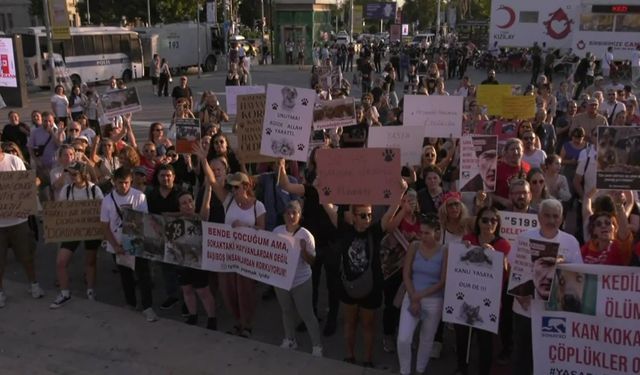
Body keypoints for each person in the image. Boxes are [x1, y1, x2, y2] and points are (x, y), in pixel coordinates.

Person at [322, 177, 405, 366]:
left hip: (371, 289)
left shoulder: (375, 231)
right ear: (353, 216)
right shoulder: (344, 229)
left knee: (368, 326)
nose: (367, 219)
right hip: (348, 287)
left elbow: (391, 212)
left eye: (369, 215)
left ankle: (367, 360)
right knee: (349, 323)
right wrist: (320, 185)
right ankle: (350, 356)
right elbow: (327, 206)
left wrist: (401, 191)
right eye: (362, 215)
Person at [509, 199, 582, 374]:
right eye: (547, 215)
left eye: (555, 216)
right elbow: (514, 266)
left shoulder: (571, 242)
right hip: (525, 309)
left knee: (551, 356)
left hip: (554, 313)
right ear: (539, 217)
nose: (551, 220)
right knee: (522, 356)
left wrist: (562, 267)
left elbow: (578, 274)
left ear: (562, 218)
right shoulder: (525, 237)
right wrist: (519, 293)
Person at [454, 207, 511, 375]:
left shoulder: (503, 244)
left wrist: (496, 257)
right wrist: (463, 249)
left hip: (488, 298)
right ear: (478, 222)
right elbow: (458, 263)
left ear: (498, 223)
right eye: (485, 220)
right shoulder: (468, 239)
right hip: (466, 294)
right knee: (462, 334)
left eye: (493, 220)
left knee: (485, 339)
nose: (489, 223)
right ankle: (461, 368)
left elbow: (506, 275)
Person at [100, 167, 157, 322]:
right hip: (117, 244)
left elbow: (143, 220)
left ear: (131, 181)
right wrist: (115, 245)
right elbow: (104, 226)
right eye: (120, 183)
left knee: (143, 275)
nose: (123, 186)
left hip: (136, 242)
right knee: (125, 275)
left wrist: (135, 242)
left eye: (126, 183)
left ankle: (147, 307)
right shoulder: (107, 200)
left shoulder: (139, 197)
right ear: (114, 182)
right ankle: (130, 303)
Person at [396, 214, 447, 375]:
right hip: (411, 296)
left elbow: (442, 281)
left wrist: (421, 295)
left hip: (433, 301)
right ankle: (404, 371)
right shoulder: (414, 246)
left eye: (427, 233)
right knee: (403, 338)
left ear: (436, 233)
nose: (423, 236)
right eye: (421, 232)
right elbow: (406, 273)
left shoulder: (445, 250)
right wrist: (413, 296)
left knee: (426, 340)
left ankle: (419, 370)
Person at [49, 162, 104, 308]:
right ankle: (65, 293)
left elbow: (102, 210)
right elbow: (61, 210)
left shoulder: (94, 190)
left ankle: (90, 291)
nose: (71, 177)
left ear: (83, 175)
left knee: (90, 261)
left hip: (90, 229)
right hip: (72, 229)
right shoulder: (66, 190)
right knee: (61, 262)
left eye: (74, 174)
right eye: (69, 174)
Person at [273, 200, 323, 357]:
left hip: (301, 281)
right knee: (286, 311)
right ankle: (290, 339)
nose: (291, 216)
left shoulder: (306, 235)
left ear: (300, 215)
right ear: (283, 215)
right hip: (281, 280)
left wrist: (303, 251)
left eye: (294, 213)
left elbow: (312, 261)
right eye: (288, 213)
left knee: (307, 314)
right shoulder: (277, 231)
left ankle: (317, 345)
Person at [0, 149, 45, 308]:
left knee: (26, 256)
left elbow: (26, 184)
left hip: (19, 221)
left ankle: (34, 285)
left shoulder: (14, 161)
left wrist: (34, 183)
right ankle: (0, 293)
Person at [175, 189, 218, 329]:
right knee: (186, 289)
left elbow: (206, 203)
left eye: (190, 201)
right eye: (184, 203)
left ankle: (212, 319)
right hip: (181, 262)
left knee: (203, 290)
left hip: (199, 262)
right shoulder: (174, 222)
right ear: (179, 207)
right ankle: (193, 316)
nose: (188, 205)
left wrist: (209, 186)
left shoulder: (201, 218)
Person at [581, 192, 633, 266]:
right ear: (594, 230)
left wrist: (618, 205)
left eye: (607, 223)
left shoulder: (619, 247)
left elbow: (624, 231)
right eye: (598, 224)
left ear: (615, 228)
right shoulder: (587, 248)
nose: (603, 226)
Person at [493, 138, 531, 208]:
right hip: (501, 209)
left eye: (518, 149)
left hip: (522, 208)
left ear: (522, 151)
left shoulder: (528, 168)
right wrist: (502, 200)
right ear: (506, 152)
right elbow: (488, 194)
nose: (516, 152)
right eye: (512, 149)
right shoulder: (496, 169)